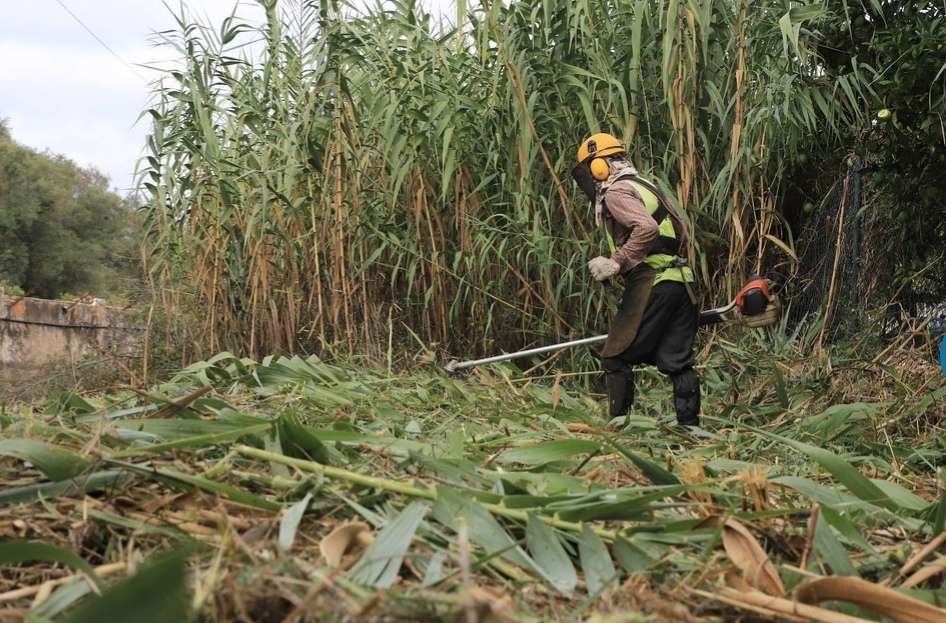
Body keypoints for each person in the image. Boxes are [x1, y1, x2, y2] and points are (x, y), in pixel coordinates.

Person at [571, 133, 701, 427]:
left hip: (652, 281)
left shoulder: (616, 192)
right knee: (677, 361)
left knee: (614, 357)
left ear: (598, 167)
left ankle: (619, 432)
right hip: (680, 281)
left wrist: (616, 262)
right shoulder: (644, 185)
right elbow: (678, 228)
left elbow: (646, 229)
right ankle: (691, 433)